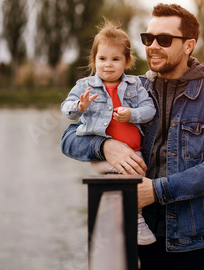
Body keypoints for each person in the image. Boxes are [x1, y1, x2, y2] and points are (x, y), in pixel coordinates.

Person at [61, 3, 204, 270]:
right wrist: (106, 146)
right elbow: (69, 138)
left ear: (189, 46)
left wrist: (157, 190)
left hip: (196, 241)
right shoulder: (132, 87)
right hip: (140, 241)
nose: (153, 46)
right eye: (148, 39)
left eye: (164, 40)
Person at [61, 19, 157, 245]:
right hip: (105, 156)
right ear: (94, 60)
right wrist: (79, 107)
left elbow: (149, 110)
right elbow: (67, 111)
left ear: (127, 62)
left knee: (137, 175)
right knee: (130, 181)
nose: (108, 64)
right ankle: (136, 221)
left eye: (115, 59)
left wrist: (131, 114)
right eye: (102, 58)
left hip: (134, 151)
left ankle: (125, 239)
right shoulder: (85, 86)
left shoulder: (135, 86)